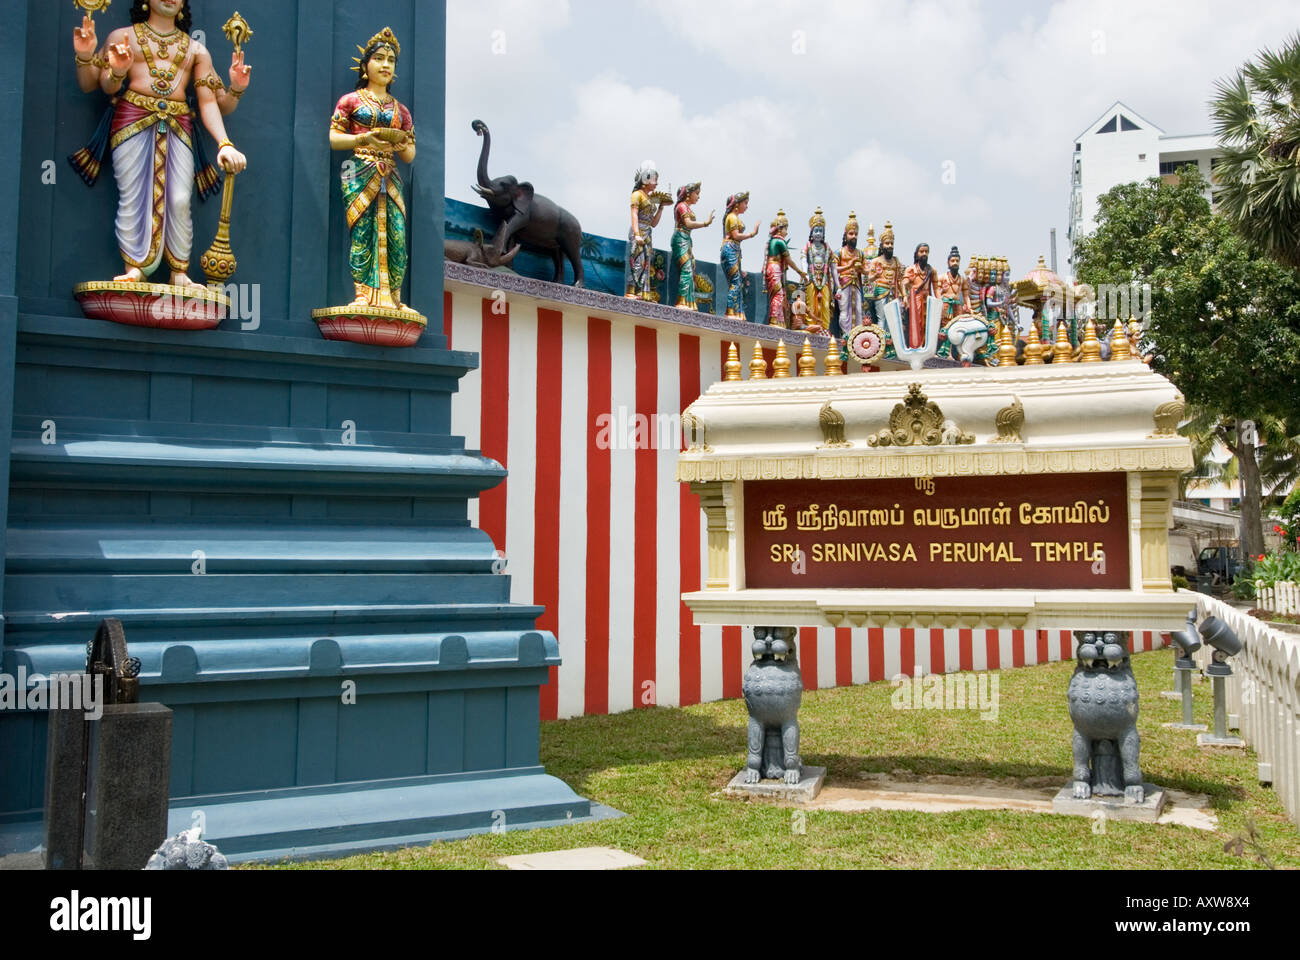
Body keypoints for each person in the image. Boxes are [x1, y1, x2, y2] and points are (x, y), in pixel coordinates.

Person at [70, 0, 250, 290]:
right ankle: (135, 268)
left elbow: (212, 102)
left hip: (178, 125)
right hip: (132, 121)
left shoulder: (195, 50)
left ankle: (179, 271)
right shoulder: (123, 37)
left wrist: (225, 139)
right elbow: (96, 84)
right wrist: (94, 59)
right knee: (134, 194)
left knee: (179, 199)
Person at [329, 28, 417, 311]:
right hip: (359, 171)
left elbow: (410, 154)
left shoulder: (401, 111)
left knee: (396, 234)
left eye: (391, 60)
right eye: (379, 58)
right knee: (363, 231)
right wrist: (362, 139)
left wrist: (400, 143)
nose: (385, 65)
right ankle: (363, 296)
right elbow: (333, 138)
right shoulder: (351, 101)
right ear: (365, 65)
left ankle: (393, 297)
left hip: (390, 173)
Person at [626, 162, 666, 300]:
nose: (656, 184)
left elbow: (653, 223)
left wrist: (660, 207)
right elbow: (634, 215)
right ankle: (631, 290)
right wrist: (637, 234)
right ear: (645, 178)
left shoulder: (649, 199)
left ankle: (641, 292)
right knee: (638, 262)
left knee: (646, 265)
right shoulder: (637, 195)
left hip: (648, 232)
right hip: (639, 231)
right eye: (655, 180)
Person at [671, 183, 714, 309]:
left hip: (686, 239)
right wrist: (705, 223)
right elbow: (688, 223)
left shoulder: (687, 207)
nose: (698, 197)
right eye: (697, 193)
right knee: (687, 269)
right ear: (688, 194)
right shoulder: (681, 206)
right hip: (680, 239)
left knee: (690, 269)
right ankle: (682, 300)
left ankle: (688, 301)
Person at [763, 211, 807, 327]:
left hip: (771, 268)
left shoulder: (773, 241)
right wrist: (800, 271)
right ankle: (773, 320)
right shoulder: (779, 241)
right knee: (778, 294)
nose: (786, 233)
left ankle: (778, 320)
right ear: (780, 229)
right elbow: (789, 260)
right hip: (775, 268)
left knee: (777, 294)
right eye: (785, 229)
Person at [720, 192, 759, 319]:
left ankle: (738, 312)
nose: (747, 206)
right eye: (745, 203)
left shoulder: (735, 218)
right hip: (730, 250)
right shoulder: (731, 217)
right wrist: (752, 234)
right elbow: (736, 236)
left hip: (735, 250)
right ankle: (730, 311)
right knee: (735, 282)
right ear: (737, 204)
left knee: (737, 282)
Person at [802, 208, 837, 333]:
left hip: (824, 279)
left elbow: (833, 267)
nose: (818, 233)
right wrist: (805, 274)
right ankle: (812, 325)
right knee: (811, 303)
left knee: (826, 305)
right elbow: (803, 259)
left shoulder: (827, 248)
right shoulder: (808, 246)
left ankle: (825, 328)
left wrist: (838, 286)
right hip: (812, 278)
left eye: (820, 231)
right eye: (816, 230)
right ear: (811, 232)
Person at [833, 211, 867, 337]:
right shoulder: (839, 252)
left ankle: (856, 336)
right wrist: (850, 265)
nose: (853, 236)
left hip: (856, 285)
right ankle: (846, 334)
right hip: (843, 285)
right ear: (845, 235)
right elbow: (833, 269)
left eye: (856, 234)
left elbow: (866, 270)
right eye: (851, 234)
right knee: (844, 312)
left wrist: (870, 271)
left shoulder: (861, 253)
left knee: (858, 311)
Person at [866, 221, 903, 330]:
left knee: (894, 319)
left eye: (891, 243)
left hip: (894, 293)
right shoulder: (876, 261)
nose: (890, 246)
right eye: (887, 243)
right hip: (881, 293)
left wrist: (904, 296)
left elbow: (900, 280)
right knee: (882, 318)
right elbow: (869, 279)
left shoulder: (896, 261)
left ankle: (892, 342)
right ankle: (883, 341)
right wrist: (876, 276)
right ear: (882, 245)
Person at [902, 242, 938, 349]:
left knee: (928, 324)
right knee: (916, 323)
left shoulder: (931, 270)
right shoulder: (911, 269)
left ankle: (926, 346)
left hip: (928, 300)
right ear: (917, 254)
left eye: (926, 252)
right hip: (915, 300)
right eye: (921, 251)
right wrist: (904, 296)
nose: (924, 254)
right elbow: (904, 283)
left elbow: (936, 288)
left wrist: (939, 301)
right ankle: (915, 345)